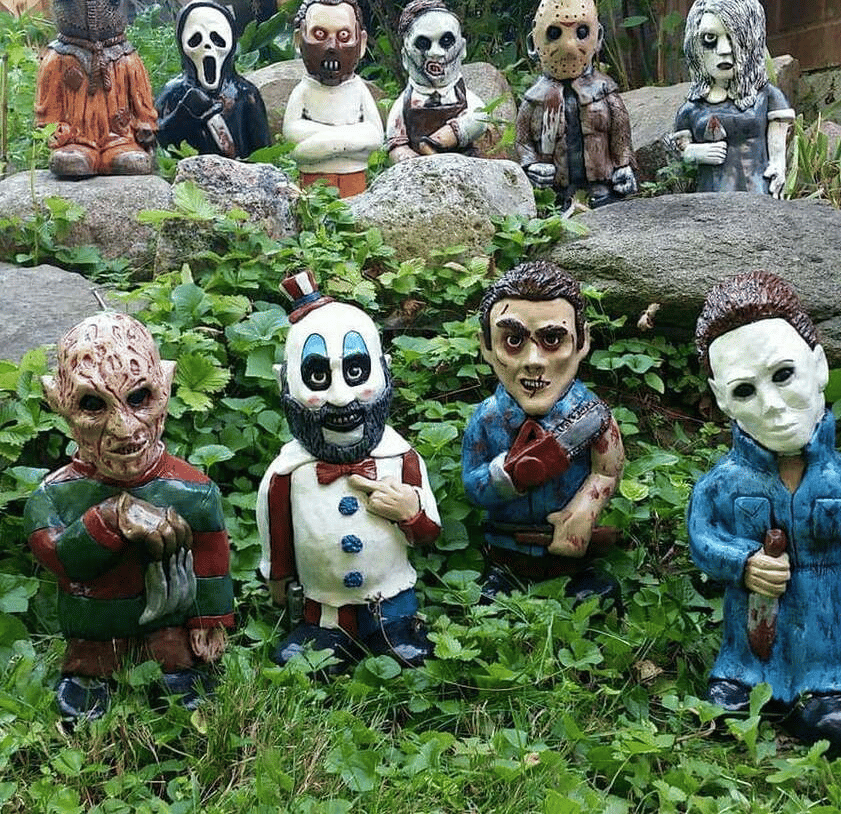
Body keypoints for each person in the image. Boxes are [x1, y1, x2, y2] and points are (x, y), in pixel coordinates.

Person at [689, 271, 841, 756]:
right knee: (727, 708)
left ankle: (824, 695)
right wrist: (742, 562)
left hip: (826, 645)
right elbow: (703, 537)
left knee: (834, 728)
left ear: (818, 366)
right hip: (746, 642)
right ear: (722, 399)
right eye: (744, 390)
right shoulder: (720, 485)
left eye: (784, 375)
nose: (772, 405)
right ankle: (741, 682)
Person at [25, 313, 233, 719]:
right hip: (95, 626)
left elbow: (211, 563)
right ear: (58, 402)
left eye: (139, 398)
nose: (123, 428)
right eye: (92, 405)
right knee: (94, 658)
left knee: (172, 655)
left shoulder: (194, 491)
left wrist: (209, 620)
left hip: (169, 626)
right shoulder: (54, 497)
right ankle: (91, 676)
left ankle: (176, 669)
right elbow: (60, 559)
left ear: (165, 387)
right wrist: (108, 519)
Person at [256, 271, 441, 671]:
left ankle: (394, 630)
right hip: (322, 608)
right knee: (305, 661)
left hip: (391, 600)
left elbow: (429, 533)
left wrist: (411, 512)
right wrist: (278, 583)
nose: (340, 398)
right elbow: (278, 537)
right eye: (317, 377)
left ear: (384, 370)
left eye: (356, 372)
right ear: (284, 382)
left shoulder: (402, 459)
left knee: (407, 655)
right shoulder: (286, 473)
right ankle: (326, 635)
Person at [462, 261, 625, 602]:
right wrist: (508, 477)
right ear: (486, 347)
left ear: (582, 342)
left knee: (596, 597)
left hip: (570, 555)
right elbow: (473, 485)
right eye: (513, 341)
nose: (534, 360)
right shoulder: (487, 419)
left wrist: (584, 512)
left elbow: (608, 470)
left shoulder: (592, 417)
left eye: (552, 339)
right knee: (493, 601)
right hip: (507, 548)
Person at [515, 0, 637, 211]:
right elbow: (523, 141)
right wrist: (530, 166)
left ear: (598, 38)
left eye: (581, 32)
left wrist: (624, 165)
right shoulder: (534, 101)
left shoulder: (605, 92)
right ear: (533, 43)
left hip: (602, 189)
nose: (569, 46)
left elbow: (621, 134)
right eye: (554, 34)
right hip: (556, 193)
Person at [35, 0, 157, 177]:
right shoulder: (57, 59)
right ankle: (81, 152)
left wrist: (145, 124)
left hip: (121, 137)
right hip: (74, 139)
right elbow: (48, 104)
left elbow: (141, 99)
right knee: (70, 162)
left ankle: (117, 153)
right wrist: (52, 128)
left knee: (132, 162)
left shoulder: (127, 58)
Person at [673, 0, 794, 198]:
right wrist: (695, 153)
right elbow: (681, 150)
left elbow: (778, 150)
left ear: (752, 40)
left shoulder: (767, 96)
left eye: (735, 37)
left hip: (758, 194)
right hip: (709, 200)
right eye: (710, 38)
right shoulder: (691, 108)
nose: (724, 50)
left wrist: (778, 167)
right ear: (695, 45)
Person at [282, 0, 384, 197]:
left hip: (354, 176)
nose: (332, 46)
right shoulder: (303, 92)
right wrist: (349, 139)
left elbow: (375, 135)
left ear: (361, 43)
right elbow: (291, 133)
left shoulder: (358, 90)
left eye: (344, 35)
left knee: (354, 213)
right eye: (319, 34)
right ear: (299, 40)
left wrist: (325, 143)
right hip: (313, 178)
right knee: (316, 209)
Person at [156, 0, 270, 158]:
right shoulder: (173, 92)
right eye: (195, 39)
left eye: (216, 38)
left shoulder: (245, 94)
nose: (207, 45)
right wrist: (182, 116)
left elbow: (263, 150)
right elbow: (154, 139)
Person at [385, 0, 486, 162]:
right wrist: (407, 159)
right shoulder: (404, 103)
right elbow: (395, 141)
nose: (435, 53)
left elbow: (480, 117)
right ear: (405, 57)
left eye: (446, 41)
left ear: (462, 49)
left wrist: (448, 135)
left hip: (464, 161)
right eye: (423, 44)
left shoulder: (463, 96)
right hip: (420, 165)